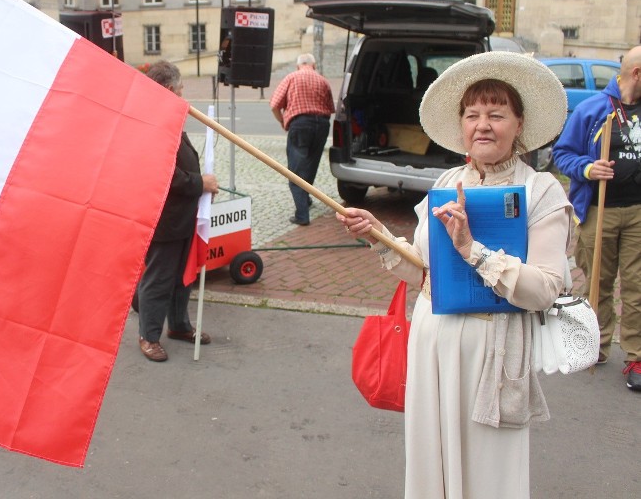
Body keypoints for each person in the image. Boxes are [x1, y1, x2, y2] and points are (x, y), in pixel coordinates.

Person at [337, 52, 572, 499]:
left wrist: (472, 250)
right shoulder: (446, 180)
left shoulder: (541, 191)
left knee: (488, 474)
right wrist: (379, 234)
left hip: (492, 356)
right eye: (472, 114)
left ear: (518, 124)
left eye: (496, 114)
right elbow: (423, 272)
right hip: (433, 343)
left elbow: (544, 289)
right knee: (431, 463)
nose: (482, 124)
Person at [552, 45, 641, 390]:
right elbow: (562, 154)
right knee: (597, 283)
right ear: (636, 74)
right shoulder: (593, 110)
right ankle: (598, 345)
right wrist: (589, 168)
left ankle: (635, 354)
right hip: (597, 210)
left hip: (637, 212)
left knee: (636, 286)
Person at [136, 61, 218, 362]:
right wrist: (201, 182)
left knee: (183, 275)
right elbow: (165, 175)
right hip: (165, 218)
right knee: (159, 278)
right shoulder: (154, 124)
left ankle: (179, 325)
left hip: (183, 215)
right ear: (170, 90)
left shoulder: (167, 118)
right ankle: (148, 335)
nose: (184, 96)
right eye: (181, 90)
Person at [269, 53, 335, 226]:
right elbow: (330, 108)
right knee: (310, 166)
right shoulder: (323, 80)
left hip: (300, 124)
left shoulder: (291, 77)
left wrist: (284, 121)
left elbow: (275, 105)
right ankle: (305, 199)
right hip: (322, 125)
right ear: (313, 65)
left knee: (296, 171)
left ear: (298, 65)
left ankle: (302, 215)